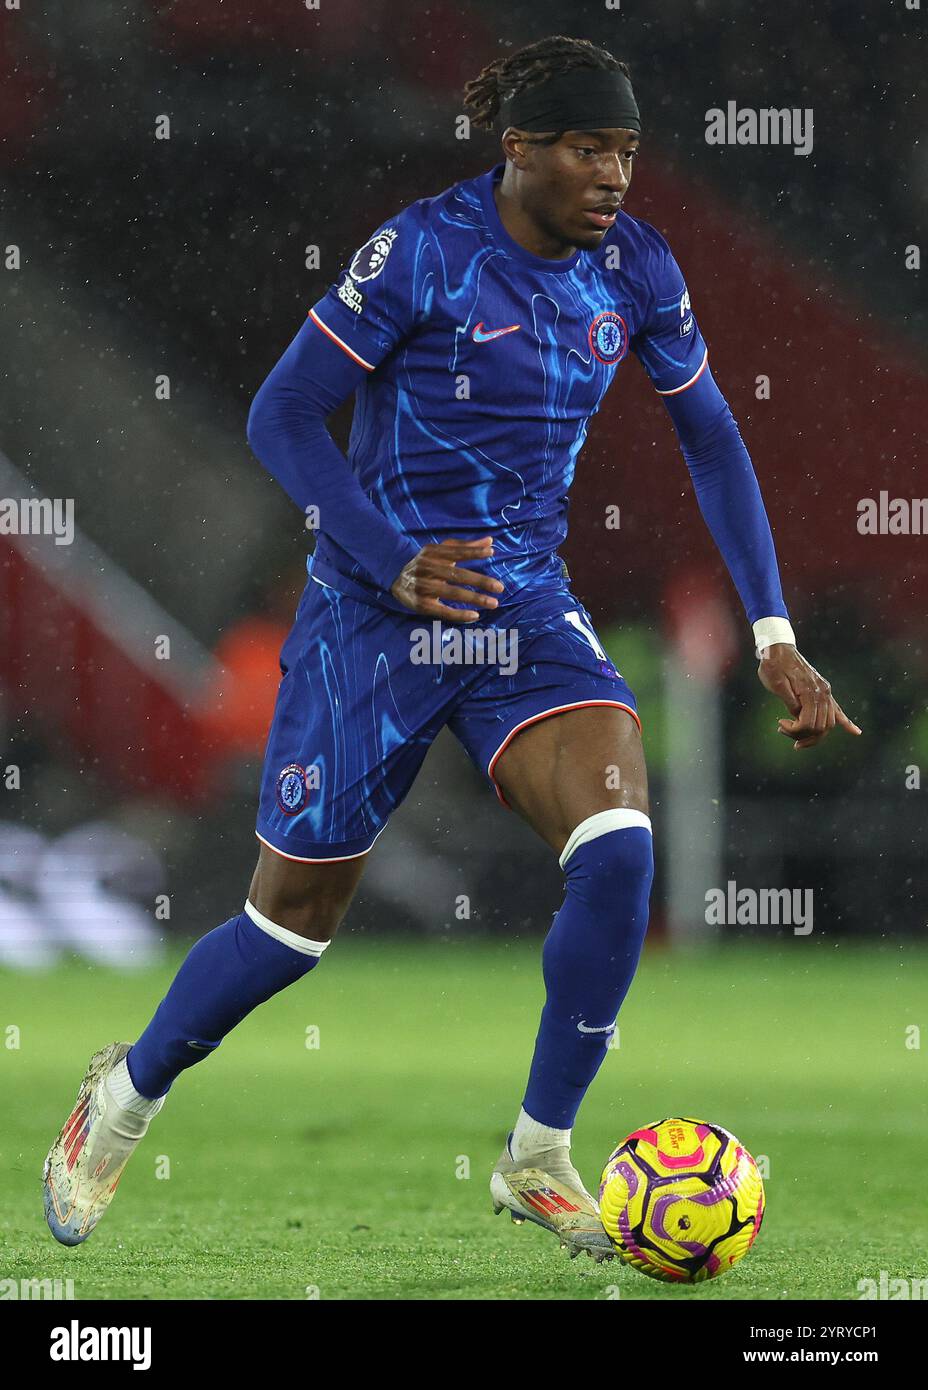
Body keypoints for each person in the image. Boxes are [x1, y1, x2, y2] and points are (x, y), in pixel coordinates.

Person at [43, 35, 860, 1259]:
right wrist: (387, 555)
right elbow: (284, 412)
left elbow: (711, 439)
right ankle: (122, 1098)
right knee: (289, 930)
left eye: (627, 151)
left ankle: (537, 1153)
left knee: (620, 845)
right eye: (588, 148)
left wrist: (774, 631)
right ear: (518, 148)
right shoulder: (421, 251)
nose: (613, 176)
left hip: (523, 608)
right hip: (373, 619)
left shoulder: (635, 268)